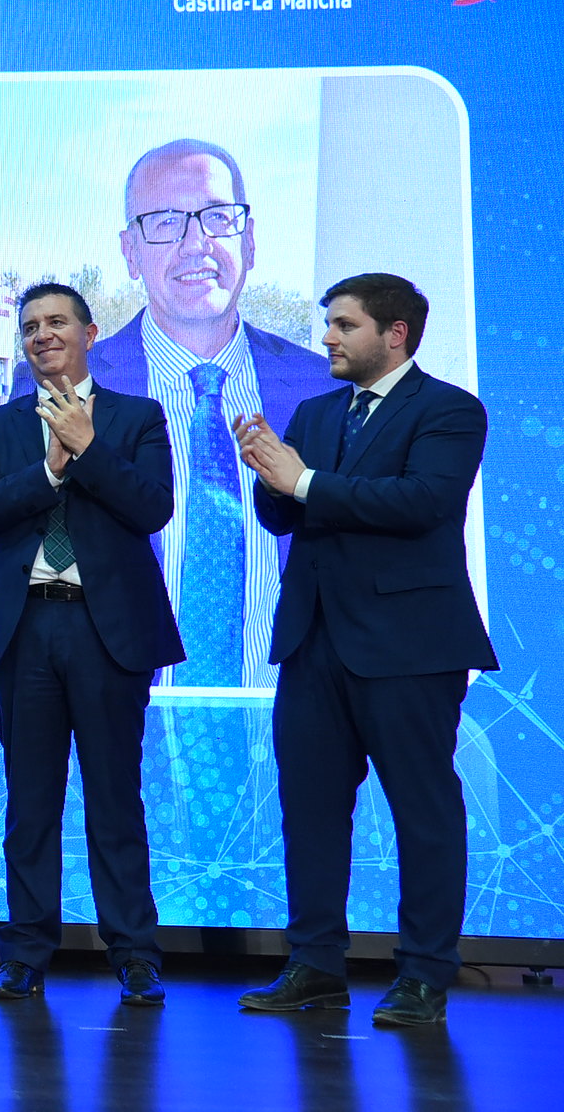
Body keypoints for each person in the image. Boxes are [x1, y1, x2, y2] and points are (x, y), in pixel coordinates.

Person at [234, 273, 493, 1027]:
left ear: (395, 334)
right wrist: (271, 477)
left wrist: (304, 480)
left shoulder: (449, 410)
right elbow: (287, 516)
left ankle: (424, 974)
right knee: (310, 811)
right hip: (313, 640)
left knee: (423, 811)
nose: (328, 338)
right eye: (329, 324)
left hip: (410, 646)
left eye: (344, 325)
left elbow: (422, 503)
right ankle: (315, 964)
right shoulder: (316, 412)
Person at [0, 282, 182, 1006]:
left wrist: (86, 448)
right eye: (30, 326)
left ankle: (135, 953)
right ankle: (25, 951)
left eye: (57, 322)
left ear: (90, 333)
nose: (42, 335)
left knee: (115, 798)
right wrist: (50, 469)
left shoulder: (137, 417)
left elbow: (152, 506)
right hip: (23, 629)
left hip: (106, 631)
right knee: (30, 803)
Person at [87, 139, 328, 688]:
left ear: (249, 241)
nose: (197, 244)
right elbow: (1, 594)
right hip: (113, 729)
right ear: (130, 253)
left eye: (218, 217)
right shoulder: (67, 389)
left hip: (292, 728)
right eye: (166, 222)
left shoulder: (322, 389)